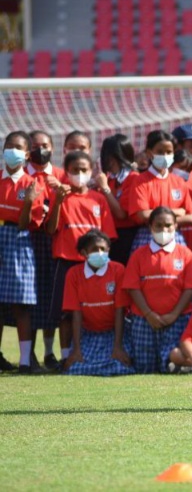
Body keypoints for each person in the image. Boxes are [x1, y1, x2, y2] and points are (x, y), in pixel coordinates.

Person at [45, 151, 117, 367]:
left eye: (84, 170)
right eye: (74, 170)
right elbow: (50, 229)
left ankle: (90, 352)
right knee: (66, 314)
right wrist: (58, 202)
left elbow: (108, 236)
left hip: (95, 264)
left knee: (93, 310)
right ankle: (66, 356)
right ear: (66, 172)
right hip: (66, 263)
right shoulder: (61, 197)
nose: (79, 174)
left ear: (91, 171)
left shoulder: (99, 199)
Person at [122, 206, 192, 373]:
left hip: (177, 319)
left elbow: (190, 288)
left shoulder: (185, 254)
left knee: (172, 359)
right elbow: (132, 287)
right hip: (144, 320)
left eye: (168, 225)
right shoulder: (138, 254)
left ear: (175, 226)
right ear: (150, 227)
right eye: (158, 226)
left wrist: (174, 314)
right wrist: (149, 314)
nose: (163, 230)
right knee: (144, 368)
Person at [0, 131, 44, 373]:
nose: (12, 151)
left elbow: (25, 224)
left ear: (27, 154)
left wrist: (27, 202)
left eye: (18, 147)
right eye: (9, 146)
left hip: (19, 241)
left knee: (21, 304)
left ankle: (25, 361)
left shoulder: (32, 184)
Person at [62, 229, 134, 376]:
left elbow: (119, 311)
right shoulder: (74, 274)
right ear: (84, 253)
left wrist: (118, 347)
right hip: (88, 334)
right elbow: (76, 314)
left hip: (114, 333)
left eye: (103, 249)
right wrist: (76, 350)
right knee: (76, 369)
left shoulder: (118, 270)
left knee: (121, 367)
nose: (100, 253)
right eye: (95, 249)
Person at [25, 130, 65, 369]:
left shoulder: (60, 176)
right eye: (36, 145)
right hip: (27, 240)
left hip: (54, 241)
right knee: (29, 298)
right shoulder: (22, 176)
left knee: (50, 297)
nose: (41, 149)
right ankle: (28, 353)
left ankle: (50, 353)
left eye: (45, 144)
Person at [128, 131, 192, 250]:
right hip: (147, 237)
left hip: (175, 237)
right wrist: (178, 211)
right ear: (149, 153)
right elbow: (143, 215)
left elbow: (191, 218)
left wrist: (156, 217)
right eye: (160, 152)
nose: (165, 155)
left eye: (169, 152)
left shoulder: (179, 182)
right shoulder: (140, 181)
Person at [99, 134, 140, 265]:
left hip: (127, 236)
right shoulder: (109, 179)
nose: (108, 161)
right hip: (109, 235)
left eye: (111, 157)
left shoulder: (133, 179)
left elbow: (121, 214)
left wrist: (105, 188)